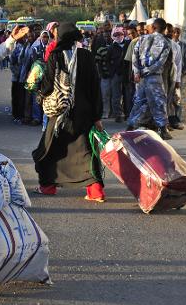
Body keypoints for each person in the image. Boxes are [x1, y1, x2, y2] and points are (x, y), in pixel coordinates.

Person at [33, 22, 105, 202]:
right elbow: (95, 88)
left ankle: (48, 187)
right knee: (86, 151)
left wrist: (38, 92)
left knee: (50, 149)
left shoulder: (55, 55)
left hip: (59, 114)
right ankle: (95, 191)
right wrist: (97, 116)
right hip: (84, 114)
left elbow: (48, 85)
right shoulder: (87, 56)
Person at [127, 18, 172, 140]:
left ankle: (130, 126)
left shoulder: (142, 38)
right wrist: (147, 71)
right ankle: (163, 130)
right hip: (153, 77)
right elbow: (160, 62)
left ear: (153, 27)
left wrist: (137, 72)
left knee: (139, 101)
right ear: (164, 28)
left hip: (140, 77)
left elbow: (134, 56)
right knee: (159, 102)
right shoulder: (166, 43)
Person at [107, 26, 129, 122]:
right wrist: (112, 71)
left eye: (120, 34)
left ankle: (128, 113)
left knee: (128, 95)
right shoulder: (111, 47)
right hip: (116, 74)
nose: (118, 36)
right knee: (116, 95)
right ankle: (118, 114)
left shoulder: (128, 45)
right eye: (116, 35)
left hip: (127, 74)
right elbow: (107, 61)